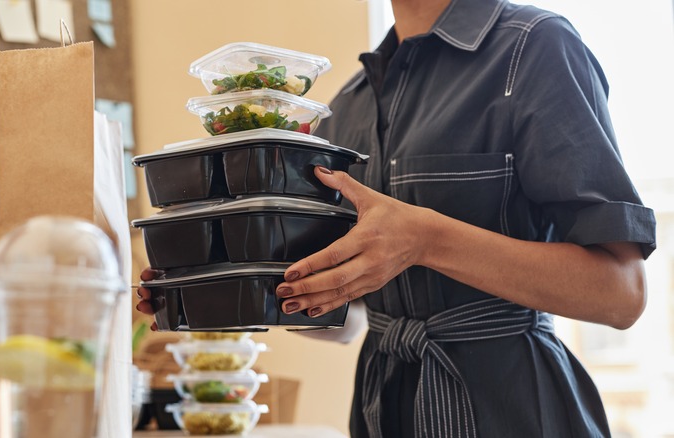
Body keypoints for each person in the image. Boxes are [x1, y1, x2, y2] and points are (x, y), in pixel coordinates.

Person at [137, 0, 657, 436]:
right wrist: (233, 286)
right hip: (381, 408)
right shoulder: (350, 104)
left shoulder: (535, 47)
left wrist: (426, 239)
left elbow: (620, 292)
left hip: (516, 408)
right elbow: (350, 321)